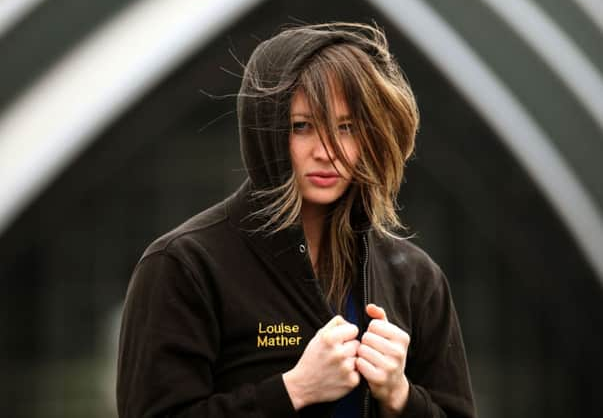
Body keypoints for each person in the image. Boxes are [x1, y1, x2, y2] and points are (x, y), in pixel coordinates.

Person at [116, 21, 476, 418]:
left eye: (347, 127)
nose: (327, 151)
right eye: (302, 126)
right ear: (266, 131)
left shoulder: (415, 278)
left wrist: (401, 396)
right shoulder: (184, 266)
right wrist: (293, 389)